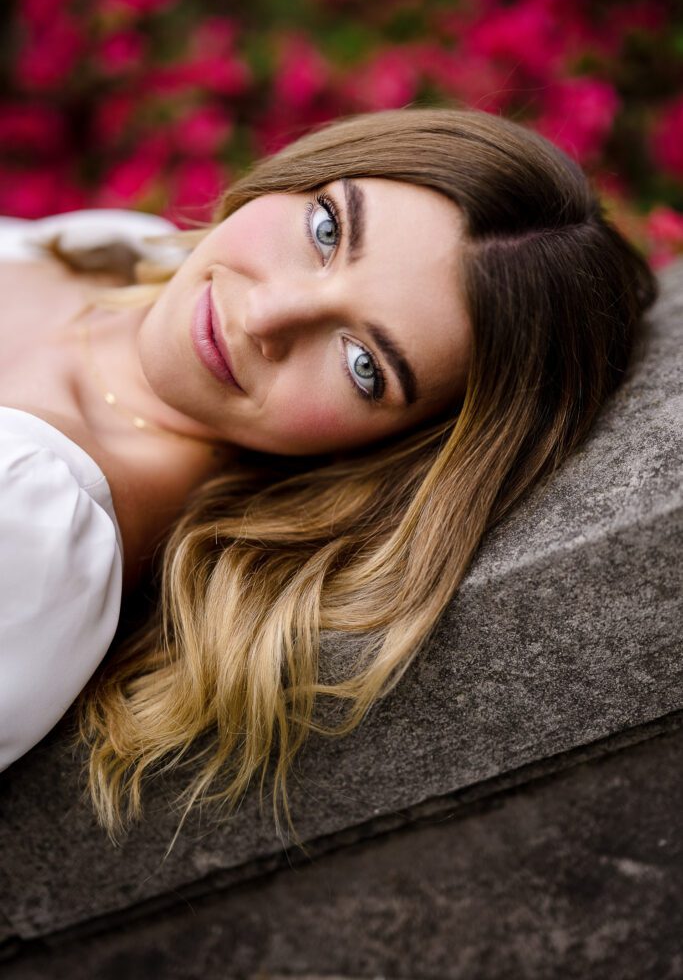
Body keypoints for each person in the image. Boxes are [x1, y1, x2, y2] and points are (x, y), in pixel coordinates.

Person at [0, 105, 658, 846]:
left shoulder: (30, 525)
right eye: (326, 230)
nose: (266, 315)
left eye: (363, 366)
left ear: (388, 446)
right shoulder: (131, 251)